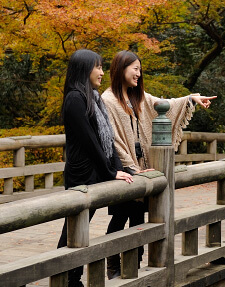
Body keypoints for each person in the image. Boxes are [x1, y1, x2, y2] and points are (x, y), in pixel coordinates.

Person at [101, 50, 216, 279]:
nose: (138, 73)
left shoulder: (139, 97)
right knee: (121, 216)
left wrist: (190, 99)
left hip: (143, 166)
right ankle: (113, 264)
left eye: (139, 69)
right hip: (125, 167)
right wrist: (129, 166)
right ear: (121, 68)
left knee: (138, 216)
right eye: (135, 68)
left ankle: (134, 264)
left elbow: (164, 105)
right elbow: (111, 137)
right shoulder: (107, 100)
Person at [57, 49, 133, 287]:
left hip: (95, 172)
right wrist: (111, 172)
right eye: (97, 67)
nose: (102, 72)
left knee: (82, 227)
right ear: (84, 69)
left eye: (102, 67)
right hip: (81, 174)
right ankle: (67, 277)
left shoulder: (94, 97)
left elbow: (107, 139)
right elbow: (90, 141)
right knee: (74, 229)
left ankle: (72, 277)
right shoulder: (74, 99)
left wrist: (122, 169)